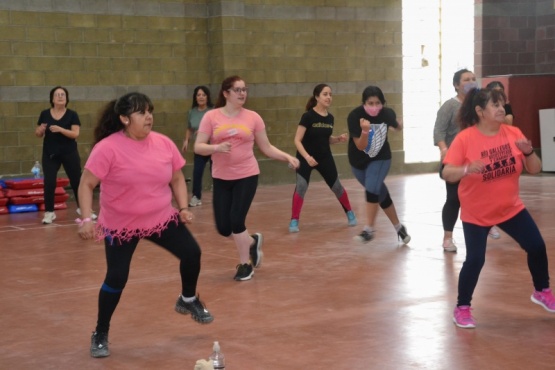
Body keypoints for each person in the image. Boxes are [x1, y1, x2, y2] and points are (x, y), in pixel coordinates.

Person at [77, 92, 213, 358]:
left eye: (150, 110)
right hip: (120, 225)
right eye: (142, 112)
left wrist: (183, 208)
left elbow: (176, 178)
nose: (149, 116)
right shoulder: (107, 148)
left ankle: (187, 299)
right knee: (117, 277)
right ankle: (101, 332)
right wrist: (85, 218)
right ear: (125, 119)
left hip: (160, 218)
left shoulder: (163, 143)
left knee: (192, 253)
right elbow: (86, 184)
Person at [443, 86, 555, 328]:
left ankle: (542, 291)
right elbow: (446, 173)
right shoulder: (465, 138)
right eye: (495, 105)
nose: (501, 108)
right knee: (475, 260)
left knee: (536, 245)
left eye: (502, 104)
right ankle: (462, 307)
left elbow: (535, 169)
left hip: (509, 208)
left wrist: (528, 153)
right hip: (476, 212)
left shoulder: (513, 133)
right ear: (480, 111)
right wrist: (466, 169)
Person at [194, 75, 300, 281]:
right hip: (221, 178)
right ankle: (252, 241)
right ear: (226, 93)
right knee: (224, 228)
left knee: (236, 220)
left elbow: (266, 147)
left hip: (247, 175)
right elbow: (198, 146)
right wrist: (216, 147)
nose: (242, 93)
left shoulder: (253, 117)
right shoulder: (211, 117)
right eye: (238, 90)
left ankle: (245, 264)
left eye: (245, 89)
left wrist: (287, 156)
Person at [288, 84, 356, 233]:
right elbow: (297, 140)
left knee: (337, 186)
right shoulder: (307, 116)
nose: (329, 97)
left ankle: (350, 212)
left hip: (324, 157)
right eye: (325, 94)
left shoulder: (330, 118)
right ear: (317, 97)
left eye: (330, 94)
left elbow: (325, 139)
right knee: (301, 186)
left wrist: (337, 139)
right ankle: (294, 220)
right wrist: (307, 157)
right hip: (305, 157)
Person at [347, 85, 410, 244]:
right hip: (358, 162)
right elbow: (360, 146)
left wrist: (399, 125)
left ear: (382, 103)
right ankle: (399, 227)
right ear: (364, 103)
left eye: (377, 103)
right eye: (370, 103)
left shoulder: (387, 113)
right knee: (378, 192)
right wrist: (365, 131)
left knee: (372, 188)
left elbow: (397, 126)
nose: (374, 107)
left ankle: (368, 230)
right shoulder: (355, 116)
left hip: (380, 158)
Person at [433, 69, 485, 252]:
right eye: (466, 80)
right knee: (454, 198)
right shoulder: (449, 106)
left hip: (476, 160)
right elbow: (438, 130)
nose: (471, 82)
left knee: (479, 197)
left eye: (473, 79)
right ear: (456, 85)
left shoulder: (480, 105)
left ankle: (485, 229)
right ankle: (448, 238)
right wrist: (444, 149)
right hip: (455, 161)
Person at [34, 86, 96, 224]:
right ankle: (49, 213)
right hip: (50, 153)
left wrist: (61, 129)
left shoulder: (72, 114)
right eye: (57, 94)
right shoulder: (45, 114)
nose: (60, 96)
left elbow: (75, 134)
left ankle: (84, 210)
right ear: (52, 98)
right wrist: (40, 130)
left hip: (69, 153)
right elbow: (38, 134)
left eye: (63, 94)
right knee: (49, 182)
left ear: (66, 98)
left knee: (77, 181)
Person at [182, 86, 214, 207]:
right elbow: (190, 128)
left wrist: (204, 131)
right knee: (197, 172)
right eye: (198, 95)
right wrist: (186, 141)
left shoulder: (213, 111)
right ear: (195, 97)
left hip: (213, 147)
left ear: (207, 97)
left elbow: (218, 127)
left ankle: (221, 195)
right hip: (200, 147)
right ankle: (196, 197)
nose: (201, 97)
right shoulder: (192, 112)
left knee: (215, 171)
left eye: (203, 95)